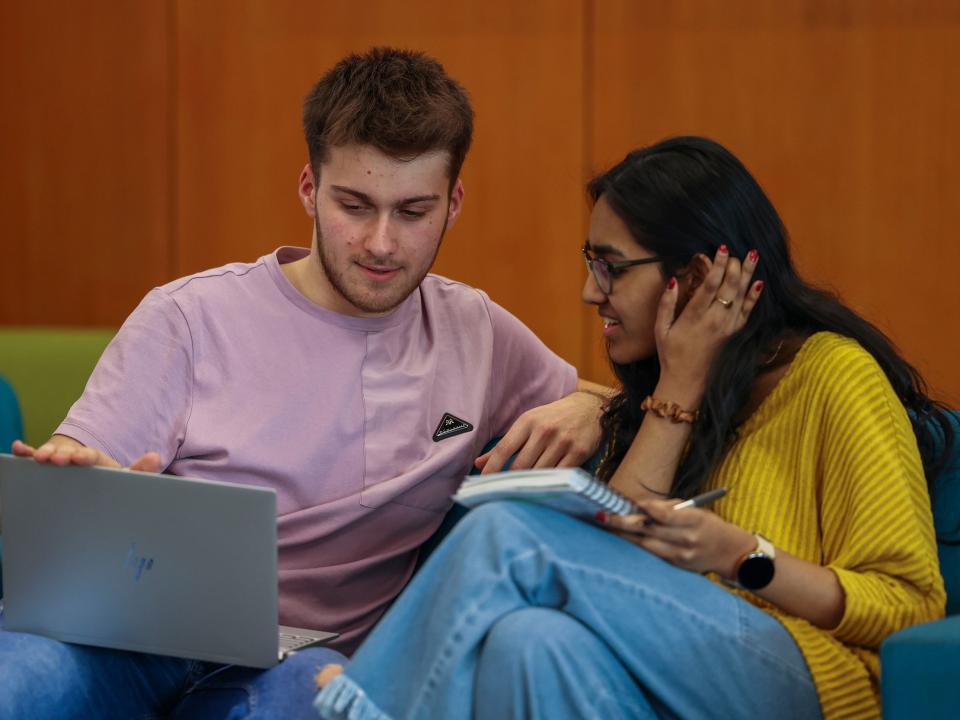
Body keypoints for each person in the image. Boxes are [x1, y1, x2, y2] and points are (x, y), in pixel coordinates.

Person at [0, 48, 609, 720]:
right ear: (309, 190)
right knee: (26, 677)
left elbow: (603, 400)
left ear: (453, 203)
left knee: (318, 690)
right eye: (354, 205)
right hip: (133, 642)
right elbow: (80, 461)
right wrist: (81, 476)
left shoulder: (477, 333)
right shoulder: (189, 316)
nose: (381, 243)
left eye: (413, 211)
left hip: (292, 666)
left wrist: (587, 404)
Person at [313, 136, 953, 720]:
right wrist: (680, 385)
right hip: (669, 673)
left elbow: (910, 603)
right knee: (529, 641)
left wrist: (739, 554)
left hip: (804, 680)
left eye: (611, 266)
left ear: (699, 278)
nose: (592, 293)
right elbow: (617, 568)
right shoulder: (661, 390)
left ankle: (366, 705)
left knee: (507, 534)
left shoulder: (834, 375)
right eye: (591, 261)